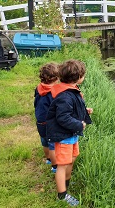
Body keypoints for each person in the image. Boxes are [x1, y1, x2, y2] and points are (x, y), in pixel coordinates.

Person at [46, 60, 93, 206]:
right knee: (62, 164)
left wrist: (85, 112)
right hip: (63, 135)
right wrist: (79, 124)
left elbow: (71, 109)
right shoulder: (65, 95)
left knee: (71, 159)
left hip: (70, 134)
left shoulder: (71, 90)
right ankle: (62, 195)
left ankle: (66, 184)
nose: (83, 77)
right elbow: (63, 117)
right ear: (78, 76)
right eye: (83, 75)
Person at [34, 62, 59, 173]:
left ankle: (48, 159)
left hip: (40, 121)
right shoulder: (54, 92)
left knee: (44, 141)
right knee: (52, 145)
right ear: (56, 78)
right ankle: (55, 166)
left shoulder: (39, 87)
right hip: (49, 122)